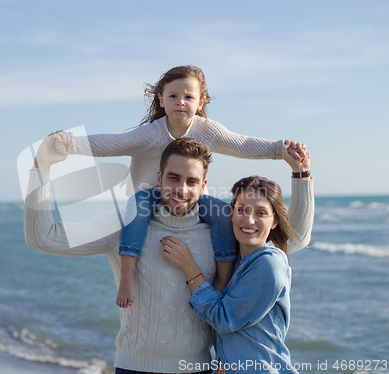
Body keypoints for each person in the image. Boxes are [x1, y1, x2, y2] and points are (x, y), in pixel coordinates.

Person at [24, 136, 313, 374]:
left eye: (191, 181)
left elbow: (288, 238)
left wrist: (301, 175)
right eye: (173, 178)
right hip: (132, 368)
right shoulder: (125, 225)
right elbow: (44, 236)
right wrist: (41, 167)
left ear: (204, 186)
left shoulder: (224, 235)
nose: (181, 189)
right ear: (159, 177)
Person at [51, 65, 308, 308]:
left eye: (188, 96)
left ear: (200, 102)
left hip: (191, 199)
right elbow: (113, 143)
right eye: (173, 95)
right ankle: (127, 275)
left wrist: (279, 150)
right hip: (149, 194)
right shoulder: (150, 133)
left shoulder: (208, 130)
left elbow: (241, 144)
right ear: (161, 100)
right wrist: (71, 143)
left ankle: (223, 278)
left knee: (221, 212)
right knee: (136, 206)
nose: (180, 102)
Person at [161, 146, 313, 374]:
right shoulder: (239, 258)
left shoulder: (269, 264)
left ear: (274, 222)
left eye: (261, 213)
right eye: (241, 209)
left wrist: (189, 267)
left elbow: (224, 318)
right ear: (231, 214)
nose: (249, 220)